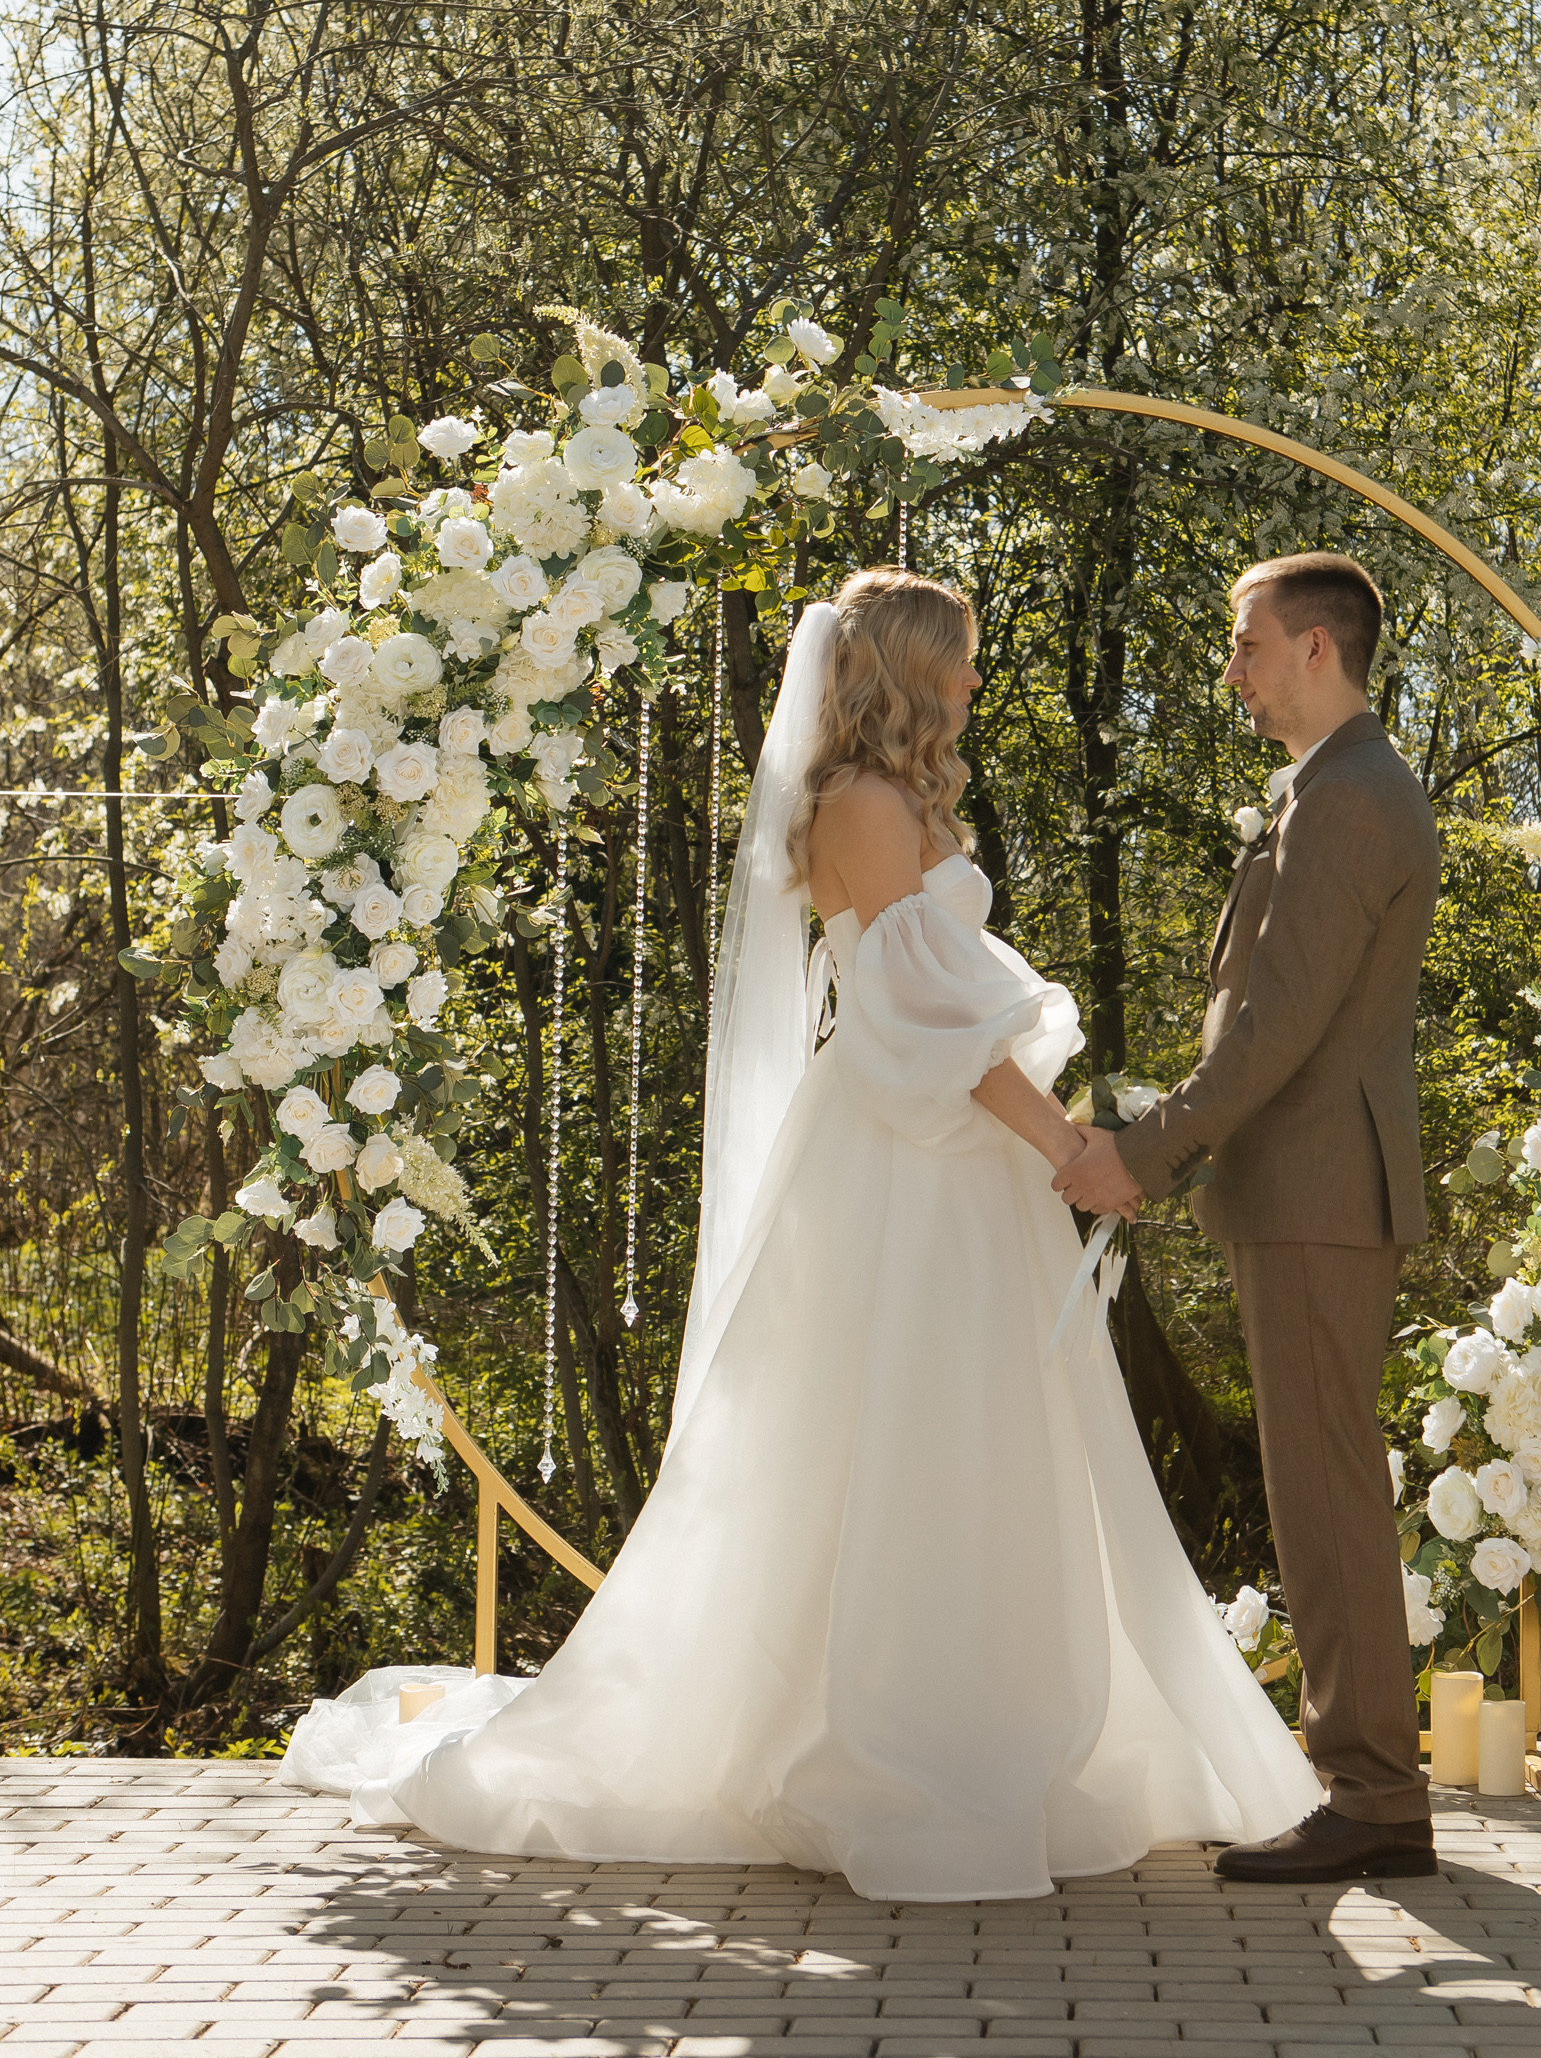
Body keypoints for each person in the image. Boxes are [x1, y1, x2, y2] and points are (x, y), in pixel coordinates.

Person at [283, 568, 1319, 1898]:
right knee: (888, 1423)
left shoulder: (902, 799)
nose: (976, 682)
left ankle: (1007, 1717)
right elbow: (919, 1021)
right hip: (898, 1157)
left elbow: (947, 1009)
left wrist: (1051, 1141)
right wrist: (1066, 1146)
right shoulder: (861, 805)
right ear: (904, 671)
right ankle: (893, 1745)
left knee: (986, 1430)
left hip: (959, 1162)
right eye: (961, 662)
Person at [1059, 552, 1442, 1885]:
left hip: (1324, 1193)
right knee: (1315, 1487)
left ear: (1318, 650)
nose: (1233, 673)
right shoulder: (1331, 793)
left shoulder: (1349, 804)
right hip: (1303, 1192)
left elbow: (1278, 1024)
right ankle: (1369, 1786)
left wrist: (1147, 1151)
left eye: (1248, 647)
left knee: (1327, 1493)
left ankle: (1378, 1798)